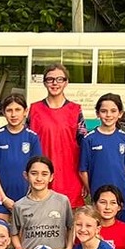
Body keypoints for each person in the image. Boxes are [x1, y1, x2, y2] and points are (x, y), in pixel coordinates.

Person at [29, 64, 85, 207]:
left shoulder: (75, 110)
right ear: (45, 82)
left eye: (60, 79)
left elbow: (83, 146)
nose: (55, 83)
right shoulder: (34, 110)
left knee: (69, 225)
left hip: (69, 178)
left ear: (66, 82)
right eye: (50, 79)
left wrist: (84, 179)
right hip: (41, 177)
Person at [0, 93, 42, 220]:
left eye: (17, 110)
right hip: (1, 197)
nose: (13, 114)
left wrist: (30, 195)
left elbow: (36, 169)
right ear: (4, 113)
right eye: (9, 110)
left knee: (23, 237)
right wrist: (3, 197)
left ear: (25, 111)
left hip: (26, 198)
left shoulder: (32, 137)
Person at [79, 94, 125, 222]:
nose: (108, 115)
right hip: (99, 194)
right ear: (98, 113)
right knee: (101, 227)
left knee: (123, 228)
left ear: (120, 113)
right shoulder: (89, 139)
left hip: (122, 192)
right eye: (104, 111)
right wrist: (91, 189)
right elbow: (83, 170)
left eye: (113, 111)